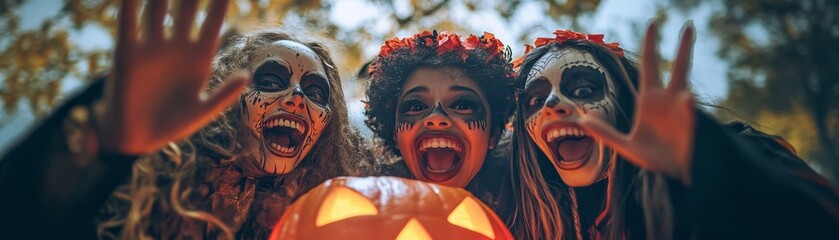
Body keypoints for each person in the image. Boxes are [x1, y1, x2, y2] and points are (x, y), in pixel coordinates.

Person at [0, 0, 373, 239]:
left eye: (315, 93)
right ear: (226, 96)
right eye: (272, 81)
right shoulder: (152, 170)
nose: (296, 99)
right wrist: (102, 155)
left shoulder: (312, 215)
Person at [509, 23, 839, 239]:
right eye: (536, 100)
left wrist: (705, 166)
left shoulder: (728, 151)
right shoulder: (540, 218)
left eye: (583, 90)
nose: (552, 104)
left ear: (627, 103)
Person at [363, 30, 516, 207]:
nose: (435, 118)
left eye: (462, 105)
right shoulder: (361, 205)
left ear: (493, 135)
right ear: (395, 136)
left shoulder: (527, 222)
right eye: (416, 107)